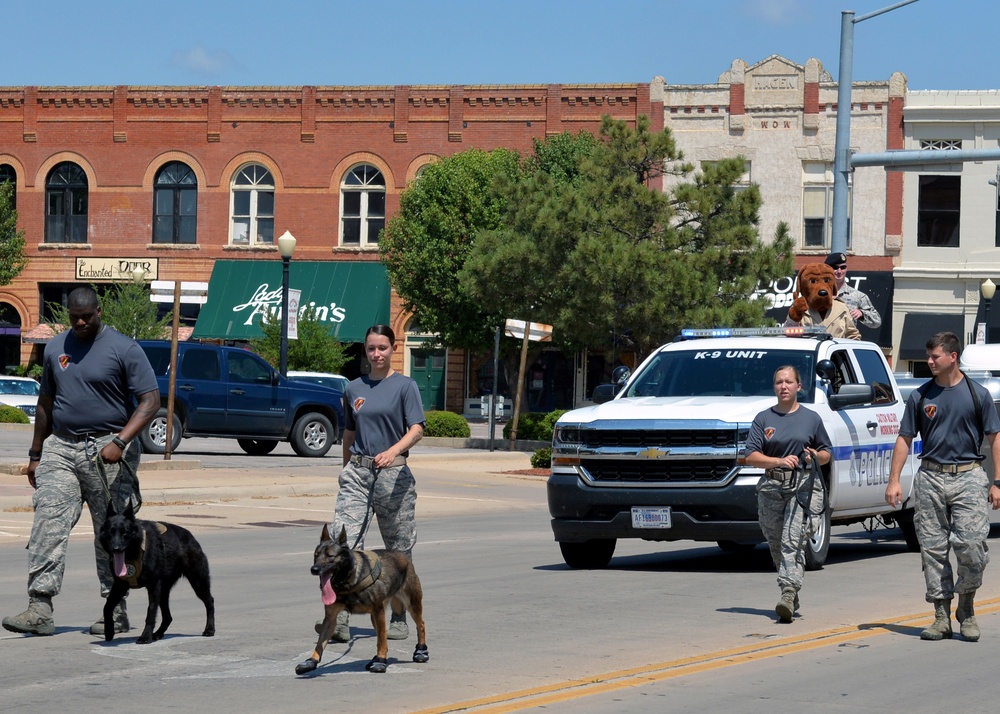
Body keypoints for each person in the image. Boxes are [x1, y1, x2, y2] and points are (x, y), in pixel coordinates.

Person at [2, 287, 160, 637]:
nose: (81, 322)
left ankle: (115, 610)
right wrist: (35, 454)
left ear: (99, 311)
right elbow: (45, 402)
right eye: (74, 316)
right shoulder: (56, 347)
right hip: (61, 445)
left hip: (108, 446)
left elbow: (150, 401)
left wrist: (121, 441)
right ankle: (39, 607)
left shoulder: (124, 348)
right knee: (48, 521)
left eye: (87, 316)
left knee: (112, 531)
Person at [885, 331, 1000, 642]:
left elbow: (995, 437)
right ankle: (940, 616)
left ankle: (967, 606)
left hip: (969, 475)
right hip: (931, 477)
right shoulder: (921, 396)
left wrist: (998, 482)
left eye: (935, 356)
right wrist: (894, 480)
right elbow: (904, 438)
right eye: (928, 356)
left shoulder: (978, 394)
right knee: (933, 550)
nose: (930, 361)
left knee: (973, 548)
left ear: (953, 357)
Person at [320, 324, 425, 643]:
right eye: (371, 348)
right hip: (358, 473)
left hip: (393, 475)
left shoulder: (405, 386)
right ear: (365, 351)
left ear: (393, 348)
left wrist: (392, 451)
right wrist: (346, 469)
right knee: (343, 545)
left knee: (398, 550)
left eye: (382, 348)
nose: (376, 354)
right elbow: (349, 435)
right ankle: (338, 618)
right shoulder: (353, 389)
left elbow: (417, 429)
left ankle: (398, 615)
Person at [745, 365, 831, 623]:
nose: (784, 386)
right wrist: (777, 461)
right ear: (775, 387)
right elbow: (751, 457)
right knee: (775, 542)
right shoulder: (763, 419)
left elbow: (826, 453)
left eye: (789, 382)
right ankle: (791, 593)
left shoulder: (811, 418)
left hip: (804, 486)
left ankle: (788, 591)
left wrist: (816, 455)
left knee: (793, 538)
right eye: (779, 382)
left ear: (798, 387)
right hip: (772, 486)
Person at [825, 251, 881, 330]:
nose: (839, 271)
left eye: (843, 267)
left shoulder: (857, 296)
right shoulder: (819, 294)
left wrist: (862, 314)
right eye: (835, 268)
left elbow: (877, 321)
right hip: (824, 340)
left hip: (847, 339)